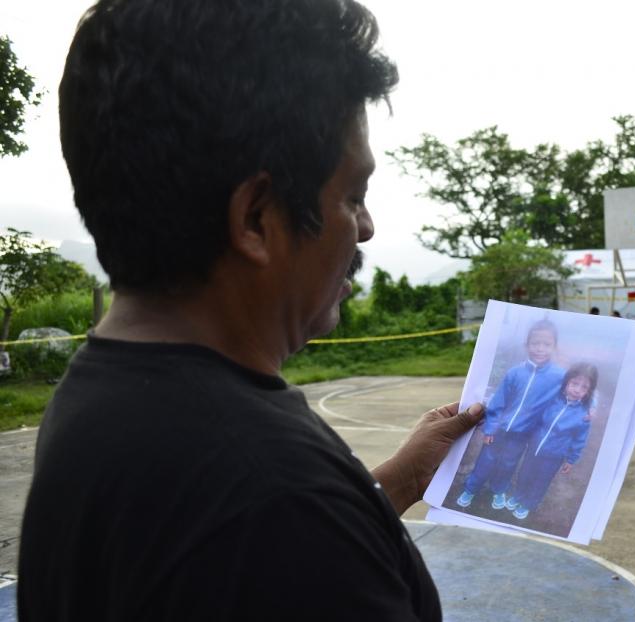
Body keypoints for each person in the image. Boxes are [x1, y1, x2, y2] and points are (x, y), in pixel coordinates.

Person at [17, 0, 484, 620]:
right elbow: (274, 526)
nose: (364, 229)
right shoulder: (275, 499)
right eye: (353, 195)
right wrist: (320, 507)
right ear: (257, 218)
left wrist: (400, 479)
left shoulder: (107, 392)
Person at [456, 320, 565, 510]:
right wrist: (490, 427)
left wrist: (591, 405)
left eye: (546, 344)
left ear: (554, 347)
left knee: (508, 464)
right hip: (498, 430)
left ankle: (498, 490)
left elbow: (580, 389)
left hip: (523, 434)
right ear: (527, 345)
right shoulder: (514, 373)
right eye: (535, 343)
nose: (540, 349)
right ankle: (470, 489)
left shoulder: (559, 376)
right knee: (485, 461)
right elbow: (498, 402)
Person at [505, 363, 598, 520]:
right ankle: (518, 496)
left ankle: (528, 504)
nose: (577, 390)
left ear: (588, 392)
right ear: (567, 382)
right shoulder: (552, 399)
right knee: (525, 474)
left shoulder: (583, 415)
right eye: (575, 383)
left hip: (554, 456)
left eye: (584, 388)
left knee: (541, 481)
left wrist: (571, 459)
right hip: (534, 447)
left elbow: (579, 439)